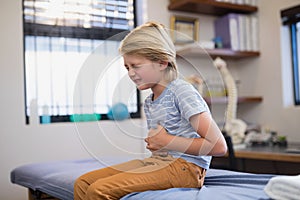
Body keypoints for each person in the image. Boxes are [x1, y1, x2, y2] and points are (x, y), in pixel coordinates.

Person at [74, 21, 227, 200]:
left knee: (99, 190)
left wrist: (166, 141)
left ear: (162, 63)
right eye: (127, 67)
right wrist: (158, 145)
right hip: (159, 163)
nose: (130, 73)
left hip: (186, 168)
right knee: (83, 183)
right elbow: (162, 147)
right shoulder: (150, 102)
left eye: (136, 66)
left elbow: (218, 146)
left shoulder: (182, 91)